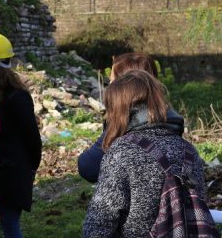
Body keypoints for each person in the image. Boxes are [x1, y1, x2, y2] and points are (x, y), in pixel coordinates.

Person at [82, 70, 208, 237]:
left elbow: (99, 222)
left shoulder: (121, 152)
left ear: (118, 109)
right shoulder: (188, 150)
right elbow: (200, 205)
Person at [77, 52, 184, 183]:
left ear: (127, 84)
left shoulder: (130, 122)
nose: (109, 85)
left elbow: (89, 167)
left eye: (113, 80)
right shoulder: (172, 120)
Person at [0, 33, 42, 238]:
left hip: (7, 172)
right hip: (0, 170)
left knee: (8, 224)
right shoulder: (12, 95)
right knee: (6, 224)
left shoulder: (14, 96)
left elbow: (32, 138)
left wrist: (31, 166)